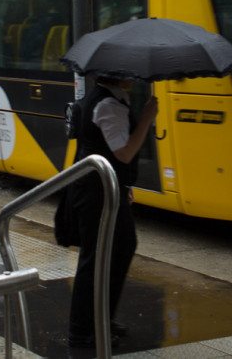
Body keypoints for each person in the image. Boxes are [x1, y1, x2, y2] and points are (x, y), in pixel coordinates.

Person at [68, 76, 159, 349]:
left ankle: (101, 318)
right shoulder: (107, 104)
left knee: (118, 249)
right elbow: (124, 153)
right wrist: (146, 118)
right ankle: (83, 330)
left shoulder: (112, 99)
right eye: (129, 73)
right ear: (116, 74)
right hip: (97, 193)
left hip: (106, 188)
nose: (133, 78)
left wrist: (123, 184)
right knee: (98, 257)